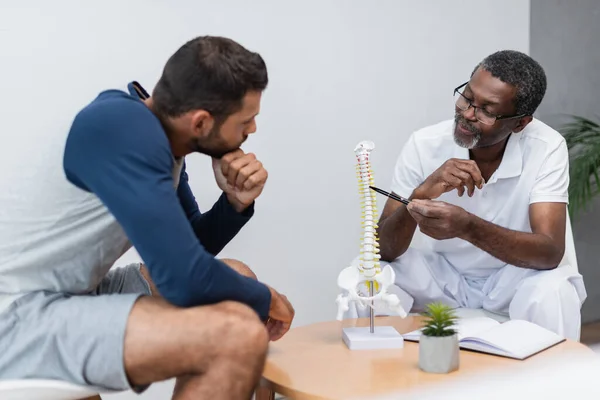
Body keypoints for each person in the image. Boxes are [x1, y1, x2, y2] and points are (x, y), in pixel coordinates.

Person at [0, 36, 294, 399]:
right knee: (236, 335)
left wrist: (233, 203)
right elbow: (184, 279)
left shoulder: (157, 138)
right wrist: (266, 298)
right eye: (246, 121)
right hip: (16, 312)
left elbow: (187, 249)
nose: (252, 131)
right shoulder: (121, 129)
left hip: (77, 293)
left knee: (238, 282)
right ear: (201, 122)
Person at [343, 50, 586, 340]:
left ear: (520, 123)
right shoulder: (425, 144)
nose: (467, 114)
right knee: (366, 276)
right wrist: (418, 197)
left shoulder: (546, 147)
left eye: (487, 110)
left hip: (513, 278)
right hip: (444, 279)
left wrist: (468, 227)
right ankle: (374, 377)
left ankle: (550, 382)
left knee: (555, 289)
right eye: (467, 96)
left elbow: (549, 252)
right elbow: (382, 250)